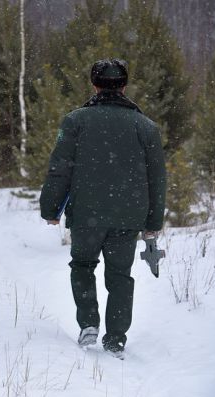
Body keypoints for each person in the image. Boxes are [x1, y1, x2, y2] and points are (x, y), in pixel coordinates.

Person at [39, 59, 166, 358]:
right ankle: (116, 337)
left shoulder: (75, 121)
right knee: (120, 274)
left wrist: (50, 208)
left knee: (83, 266)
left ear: (94, 85)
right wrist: (153, 220)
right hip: (129, 215)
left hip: (86, 214)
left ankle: (88, 324)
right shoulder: (146, 127)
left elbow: (60, 169)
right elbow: (157, 178)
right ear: (124, 86)